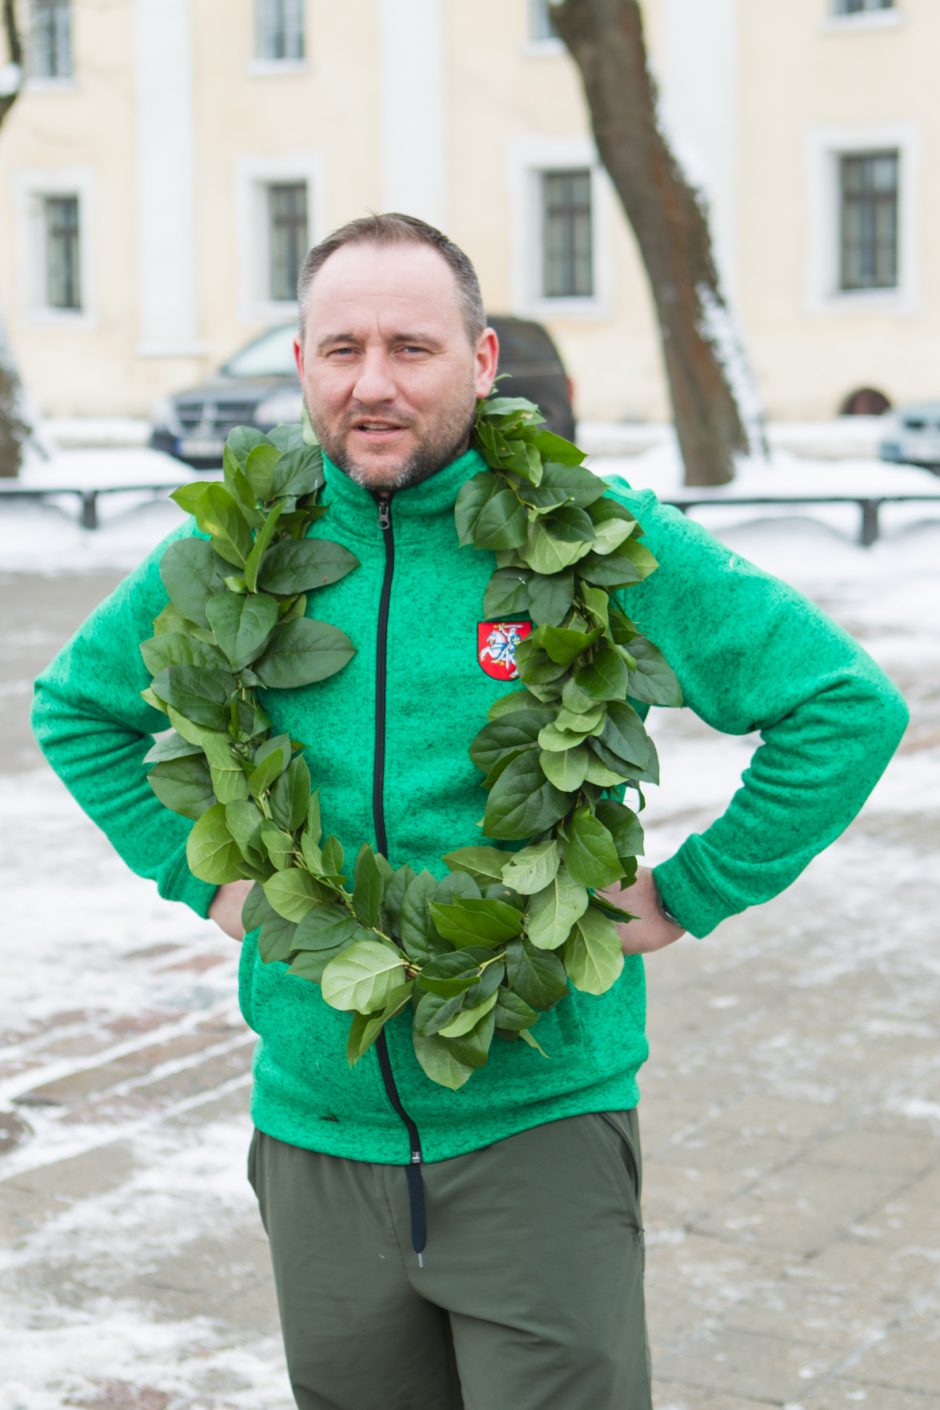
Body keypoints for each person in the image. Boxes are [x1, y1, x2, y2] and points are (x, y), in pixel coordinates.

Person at [32, 213, 909, 1410]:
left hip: (537, 1129)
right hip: (316, 1133)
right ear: (299, 367)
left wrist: (693, 892)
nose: (374, 384)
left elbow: (841, 707)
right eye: (340, 349)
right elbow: (77, 711)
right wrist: (210, 880)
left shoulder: (591, 537)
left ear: (483, 362)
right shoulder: (240, 549)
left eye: (412, 347)